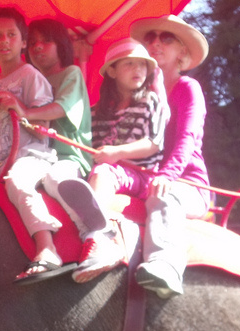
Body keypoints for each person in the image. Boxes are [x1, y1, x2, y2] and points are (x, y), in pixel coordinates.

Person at [53, 38, 166, 284]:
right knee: (65, 175)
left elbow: (154, 143)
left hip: (140, 173)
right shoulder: (96, 110)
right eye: (129, 64)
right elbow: (85, 141)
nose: (137, 70)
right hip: (102, 168)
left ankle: (101, 238)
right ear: (112, 71)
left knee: (104, 171)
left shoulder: (151, 101)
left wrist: (116, 154)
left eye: (142, 65)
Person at [0, 18, 94, 280]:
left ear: (61, 44)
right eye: (34, 42)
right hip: (35, 152)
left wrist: (25, 111)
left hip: (66, 156)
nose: (38, 47)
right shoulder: (32, 78)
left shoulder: (70, 74)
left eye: (46, 41)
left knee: (54, 179)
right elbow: (18, 123)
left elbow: (60, 108)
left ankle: (92, 232)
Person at [0, 7, 62, 281]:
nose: (4, 41)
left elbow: (43, 124)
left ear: (23, 42)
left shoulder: (30, 75)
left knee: (18, 182)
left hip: (30, 156)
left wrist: (19, 107)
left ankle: (47, 247)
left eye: (11, 35)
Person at [125, 14, 212, 298]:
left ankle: (166, 265)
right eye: (150, 38)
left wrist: (167, 175)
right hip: (146, 178)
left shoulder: (188, 88)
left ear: (182, 52)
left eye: (166, 38)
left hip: (186, 184)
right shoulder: (138, 93)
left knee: (164, 194)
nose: (156, 43)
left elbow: (188, 138)